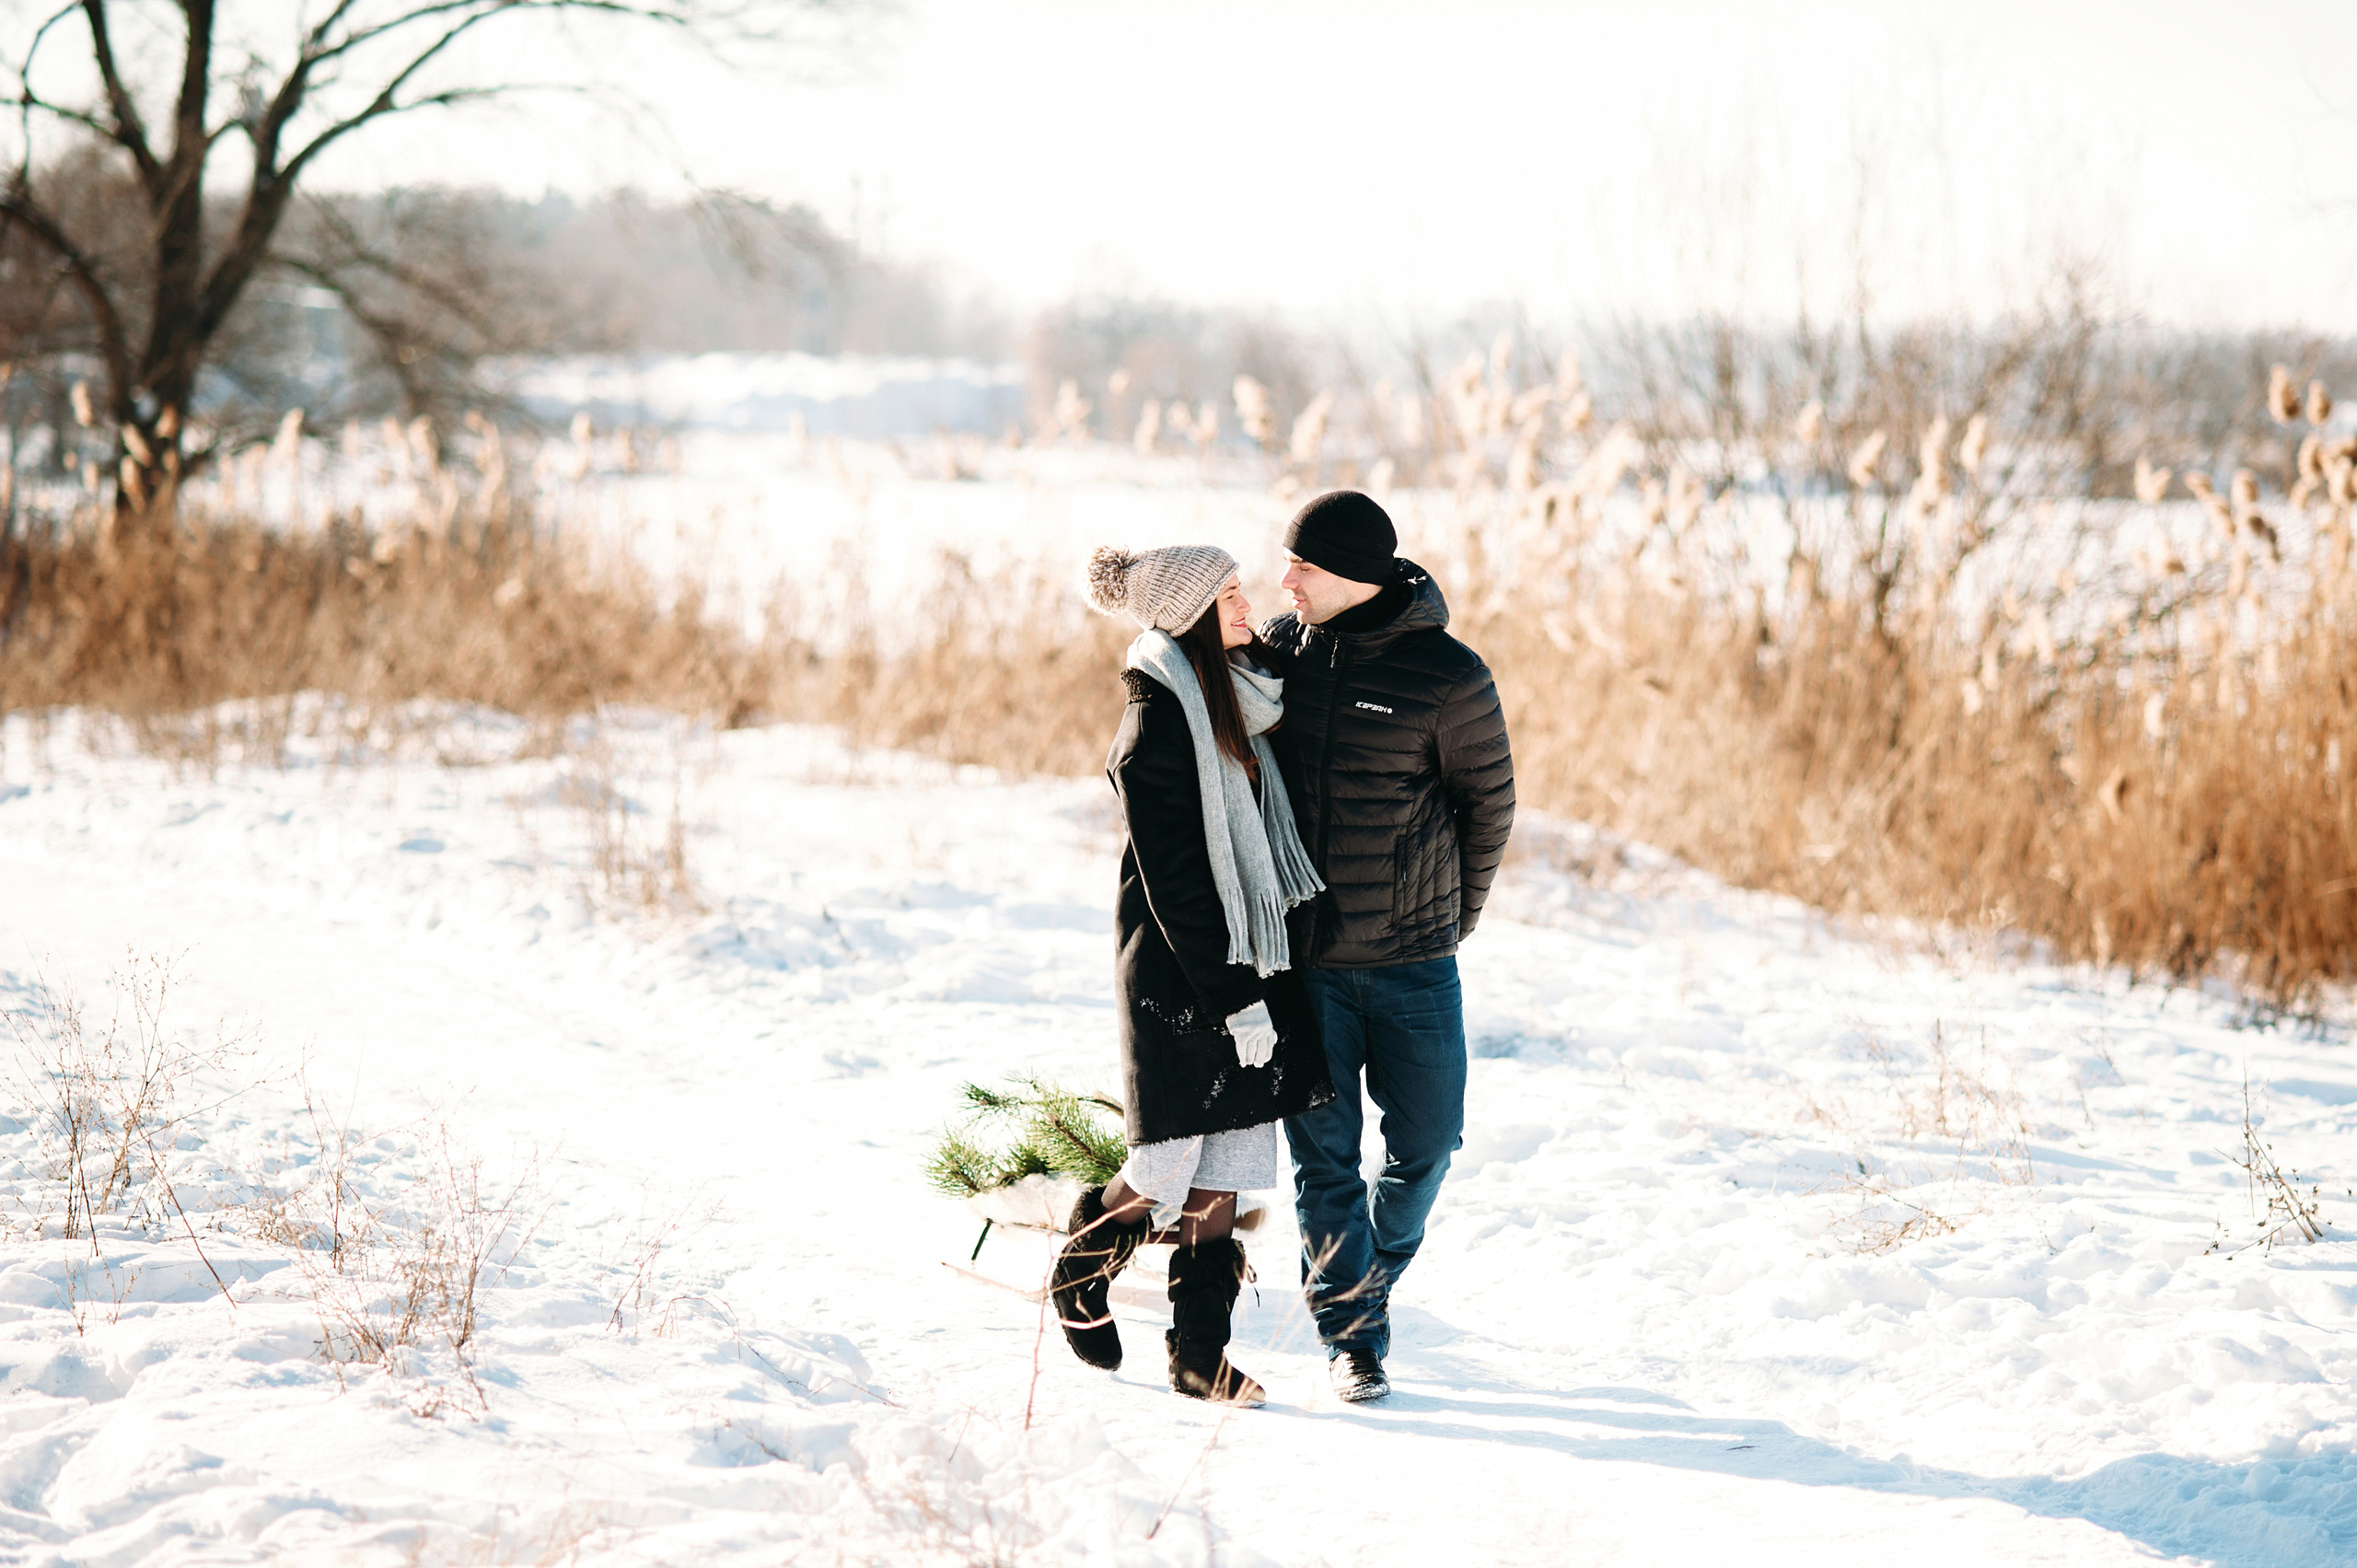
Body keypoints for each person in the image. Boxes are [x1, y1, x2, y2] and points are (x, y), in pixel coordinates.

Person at [1050, 541, 1338, 1407]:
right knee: (1167, 1161)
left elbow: (1293, 644)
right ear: (1189, 618)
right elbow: (1178, 889)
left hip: (1252, 959)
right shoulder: (1154, 727)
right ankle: (1078, 1267)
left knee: (1233, 1159)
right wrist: (1237, 1001)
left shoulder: (1233, 693)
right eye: (1229, 596)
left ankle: (1197, 1355)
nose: (1248, 607)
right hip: (1185, 973)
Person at [1258, 490, 1515, 1404]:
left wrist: (1452, 916)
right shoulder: (1277, 654)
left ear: (1356, 575)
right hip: (1307, 964)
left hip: (1411, 964)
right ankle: (1352, 1338)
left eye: (1304, 567)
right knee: (1322, 1160)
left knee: (1428, 1144)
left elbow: (1488, 807)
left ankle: (1359, 1283)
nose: (1284, 579)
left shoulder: (1448, 675)